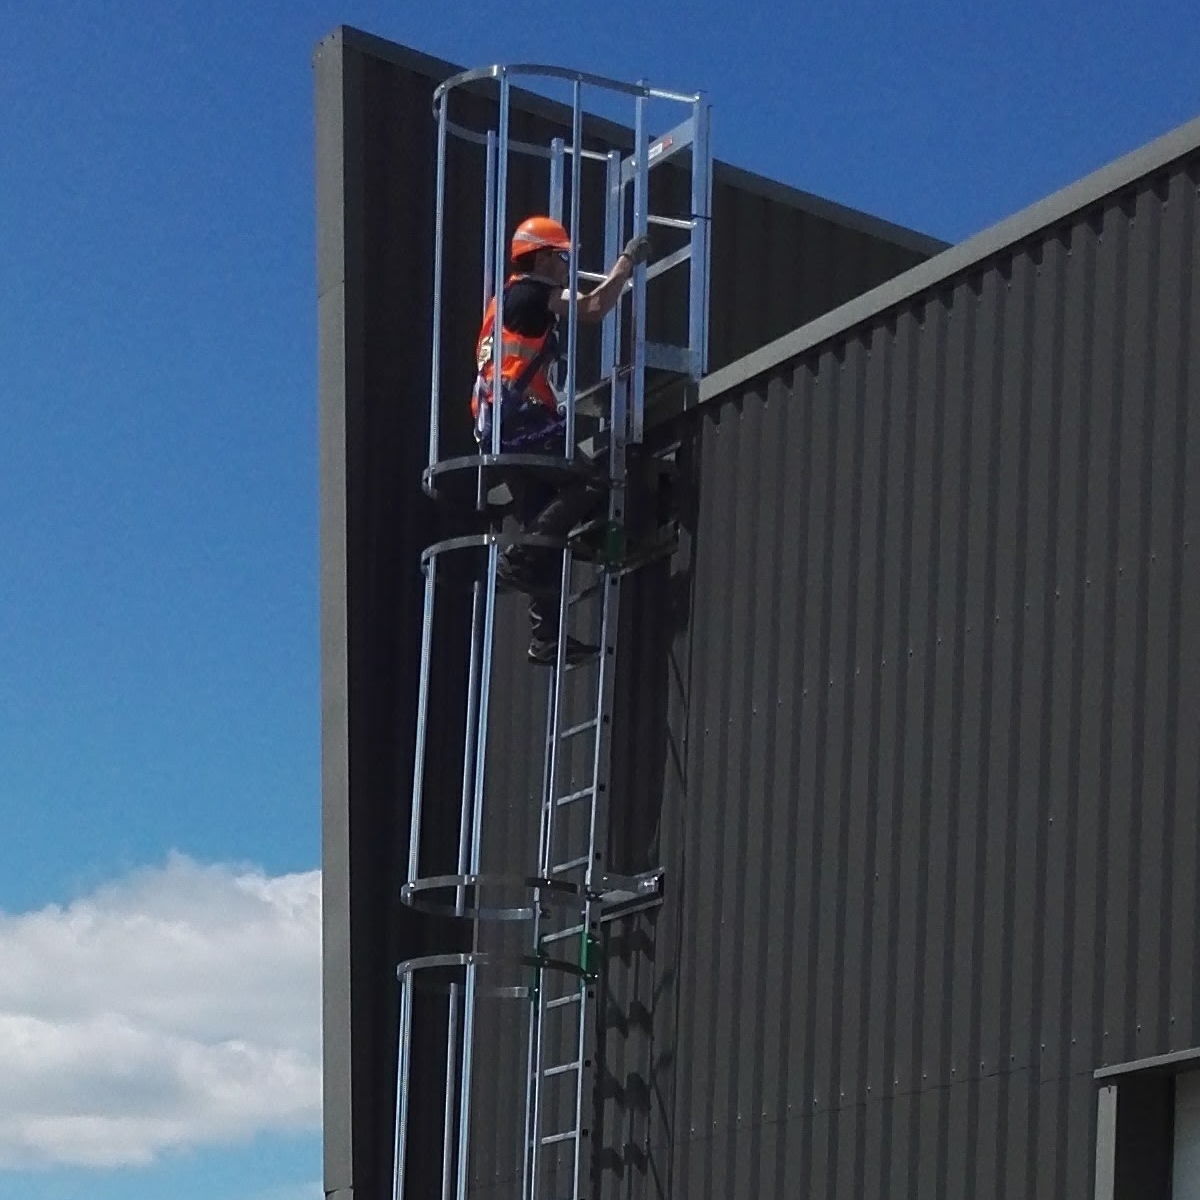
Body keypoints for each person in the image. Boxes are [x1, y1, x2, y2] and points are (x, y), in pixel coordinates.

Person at [470, 215, 652, 666]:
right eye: (561, 257)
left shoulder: (501, 302)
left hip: (498, 427)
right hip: (523, 421)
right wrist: (626, 264)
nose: (564, 265)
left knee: (543, 526)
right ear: (544, 256)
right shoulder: (531, 293)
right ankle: (520, 558)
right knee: (588, 482)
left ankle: (546, 636)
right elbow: (592, 308)